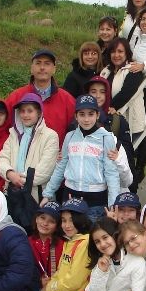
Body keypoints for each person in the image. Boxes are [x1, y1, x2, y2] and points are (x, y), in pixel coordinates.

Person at [41, 95, 120, 223]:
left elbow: (111, 172)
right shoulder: (70, 137)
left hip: (95, 199)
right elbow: (61, 166)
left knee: (91, 237)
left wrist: (113, 204)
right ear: (76, 116)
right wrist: (48, 193)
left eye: (91, 114)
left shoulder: (106, 138)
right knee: (71, 236)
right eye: (82, 114)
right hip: (70, 195)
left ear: (97, 115)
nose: (86, 119)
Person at [31, 198, 92, 291]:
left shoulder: (85, 243)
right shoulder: (70, 241)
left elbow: (73, 281)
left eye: (72, 220)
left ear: (82, 220)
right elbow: (60, 272)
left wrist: (49, 289)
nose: (67, 225)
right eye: (64, 221)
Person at [0, 92, 60, 217]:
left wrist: (18, 179)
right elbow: (2, 159)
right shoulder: (13, 135)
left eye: (30, 111)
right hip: (13, 195)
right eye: (22, 111)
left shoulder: (50, 136)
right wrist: (10, 174)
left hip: (37, 197)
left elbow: (44, 171)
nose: (25, 115)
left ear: (39, 113)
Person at [4, 49, 75, 147]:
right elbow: (0, 122)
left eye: (47, 63)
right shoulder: (17, 97)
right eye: (38, 63)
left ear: (54, 69)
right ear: (31, 68)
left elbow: (78, 130)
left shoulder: (67, 100)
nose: (42, 67)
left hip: (55, 159)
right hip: (21, 157)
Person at [84, 76, 135, 192]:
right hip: (87, 184)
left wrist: (132, 187)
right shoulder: (78, 121)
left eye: (102, 92)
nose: (97, 96)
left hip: (114, 184)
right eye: (93, 91)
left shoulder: (117, 120)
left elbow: (128, 155)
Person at [100, 37, 146, 140]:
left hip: (130, 122)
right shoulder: (106, 71)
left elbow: (126, 92)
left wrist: (110, 106)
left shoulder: (133, 70)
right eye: (113, 52)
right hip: (109, 119)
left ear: (127, 53)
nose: (116, 55)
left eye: (120, 51)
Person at [28, 202, 64, 290]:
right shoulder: (27, 242)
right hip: (32, 289)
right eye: (42, 218)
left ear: (57, 226)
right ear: (36, 219)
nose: (45, 223)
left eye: (51, 221)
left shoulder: (63, 245)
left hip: (57, 290)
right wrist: (38, 281)